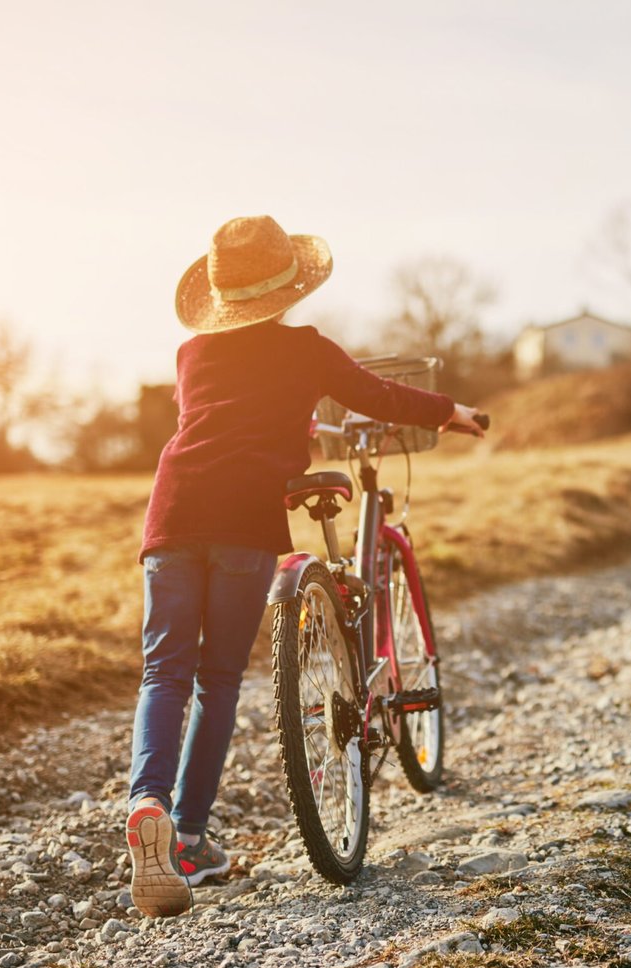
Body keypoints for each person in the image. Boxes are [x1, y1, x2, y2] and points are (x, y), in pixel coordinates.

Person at [126, 215, 484, 918]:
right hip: (242, 525)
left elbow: (223, 415)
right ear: (288, 288)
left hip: (171, 516)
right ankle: (191, 839)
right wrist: (450, 412)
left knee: (163, 671)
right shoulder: (306, 349)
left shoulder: (191, 354)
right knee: (218, 678)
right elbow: (377, 397)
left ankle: (148, 803)